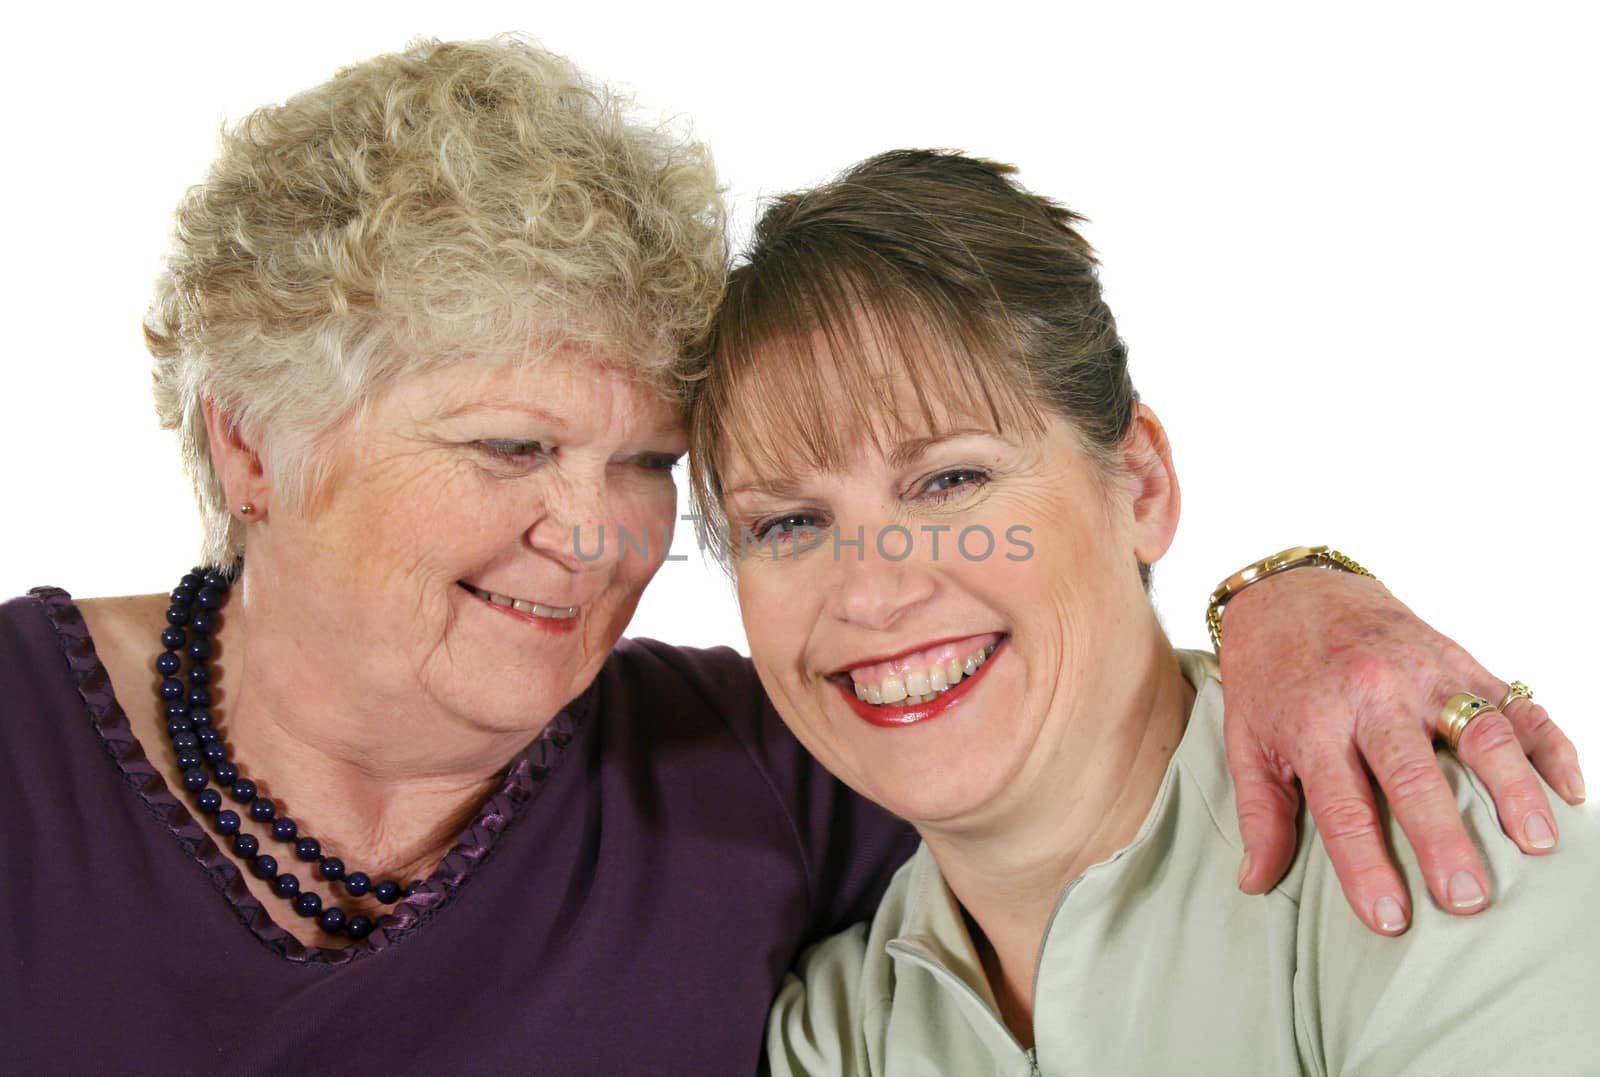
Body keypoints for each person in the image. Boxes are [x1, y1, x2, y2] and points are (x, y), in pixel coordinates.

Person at [0, 37, 1581, 1072]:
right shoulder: (20, 747)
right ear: (251, 444)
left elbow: (1062, 690)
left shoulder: (746, 763)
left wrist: (1297, 594)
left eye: (644, 463)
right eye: (507, 448)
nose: (599, 528)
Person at [683, 148, 1600, 1074]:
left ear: (1142, 484)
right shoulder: (832, 1035)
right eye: (790, 523)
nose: (873, 594)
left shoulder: (1450, 852)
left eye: (952, 479)